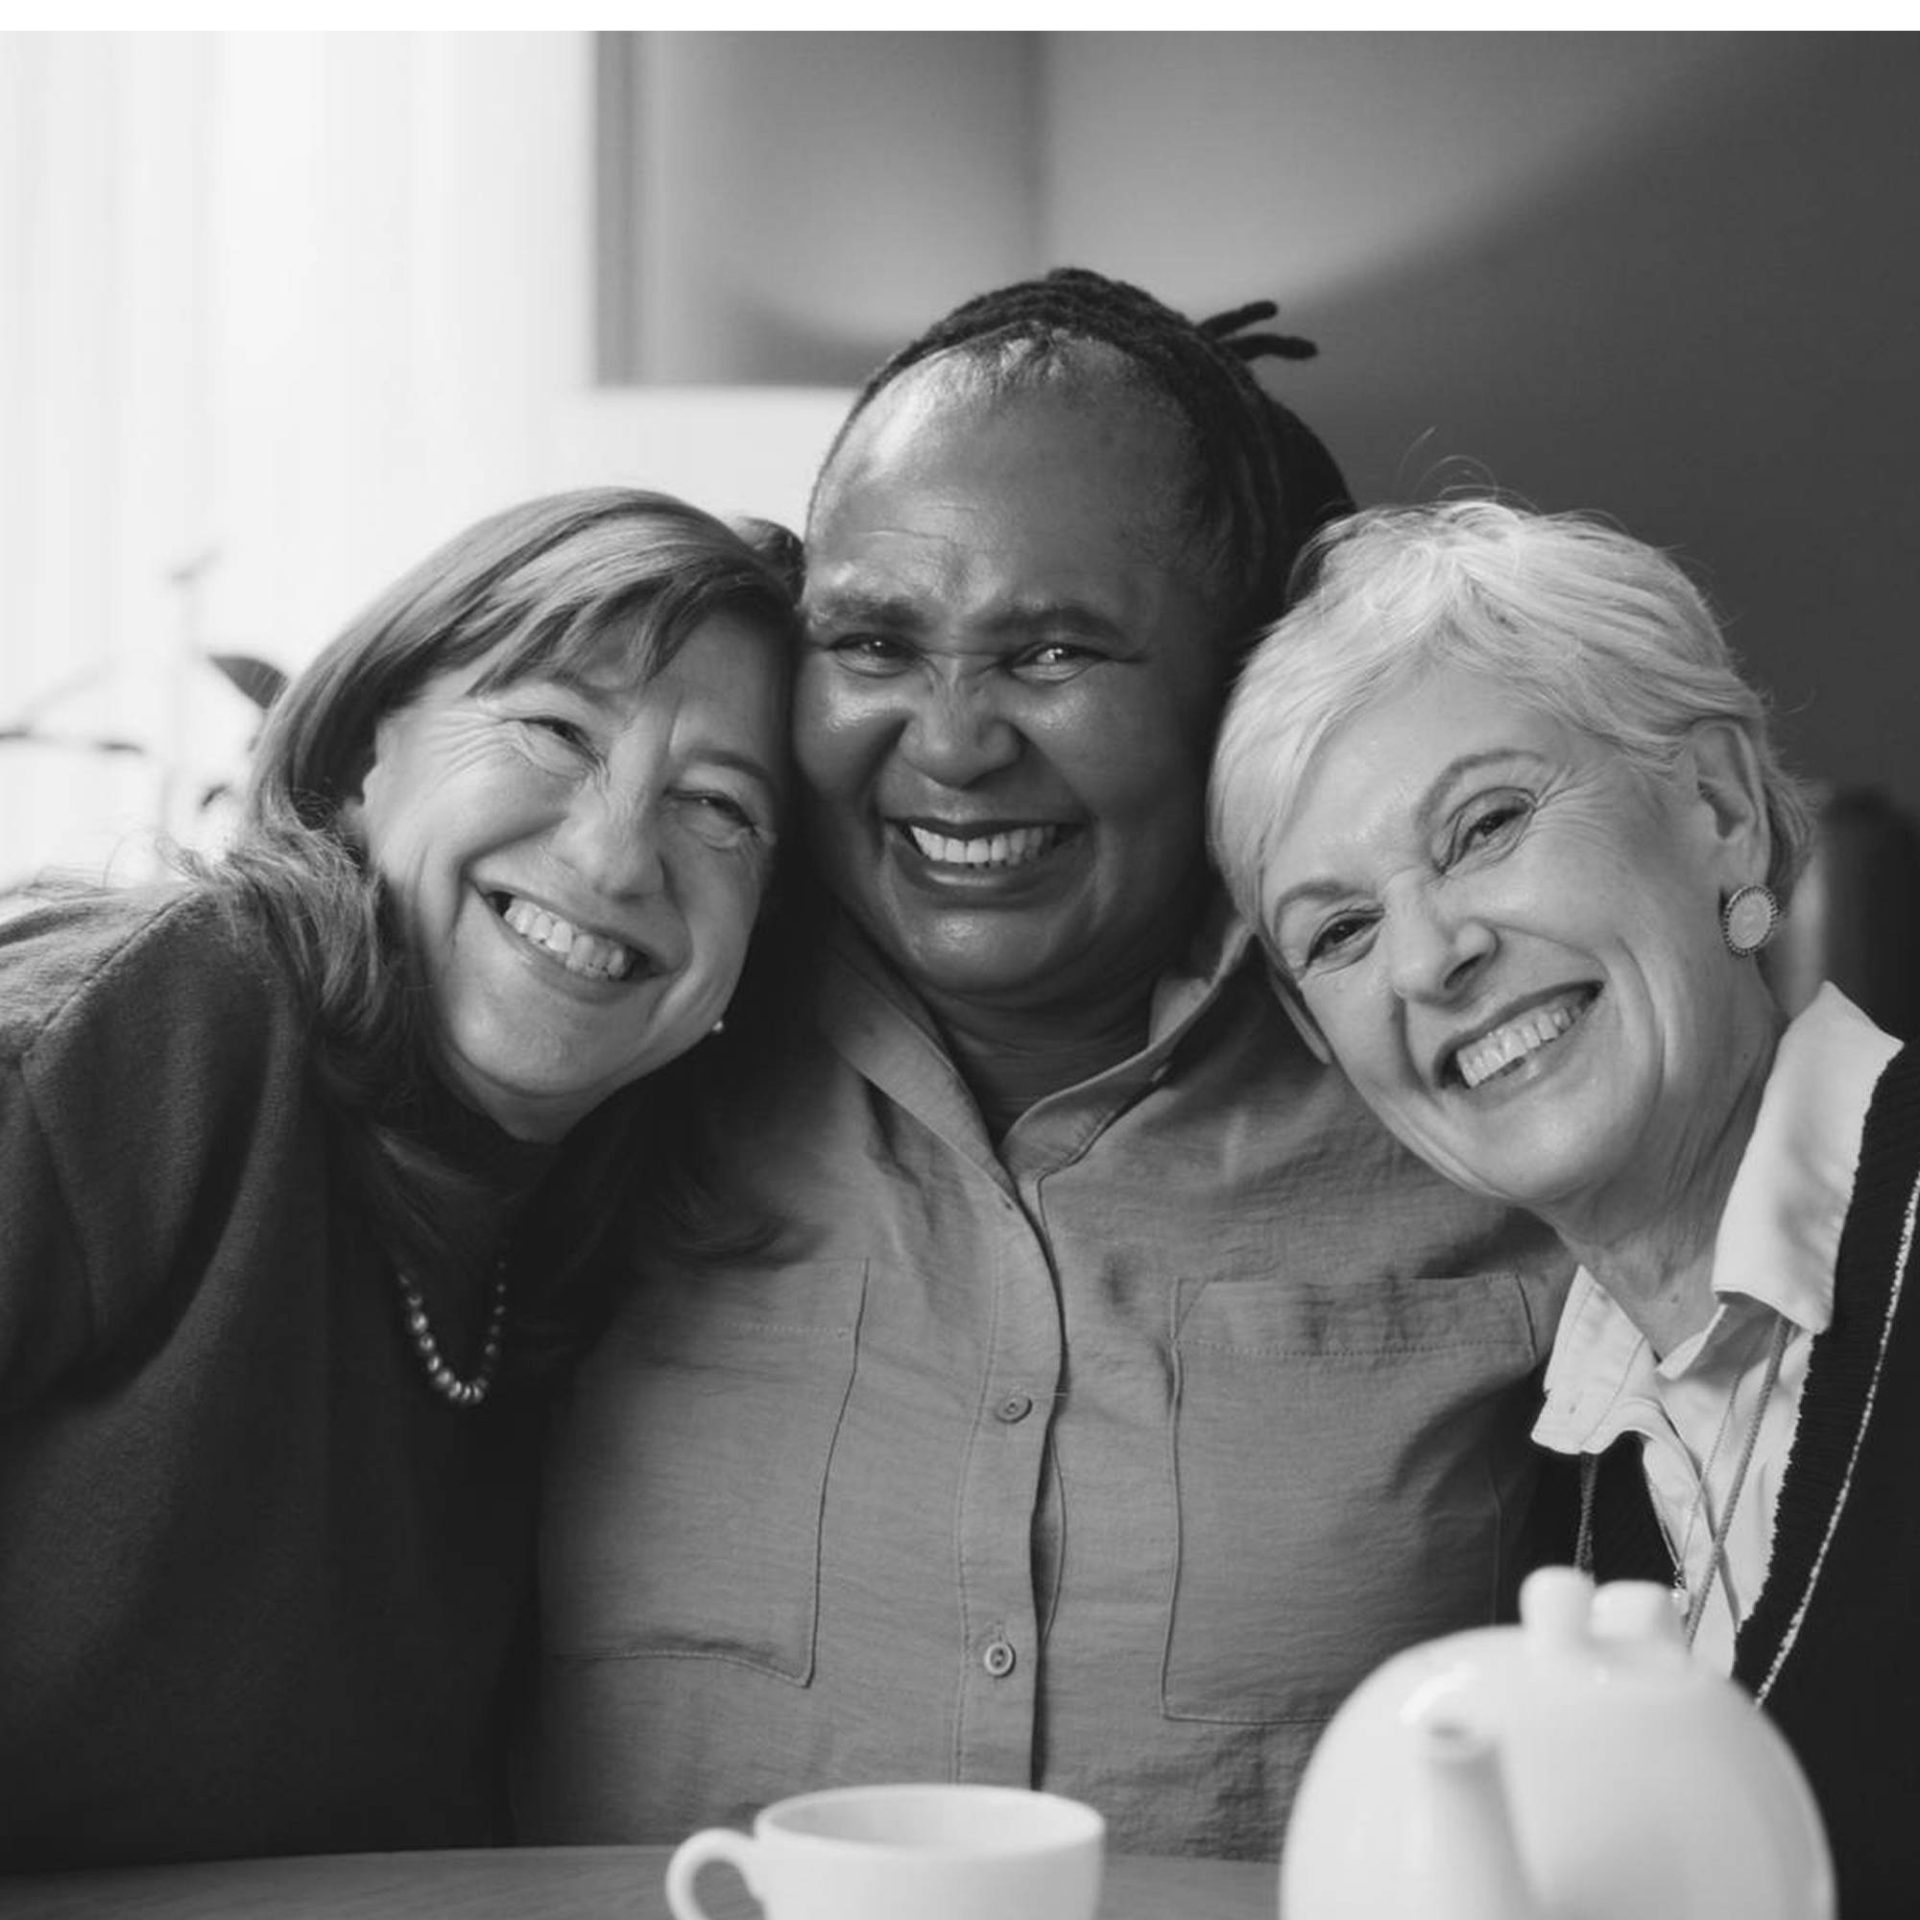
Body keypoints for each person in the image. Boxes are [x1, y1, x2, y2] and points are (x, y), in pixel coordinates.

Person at [520, 271, 1567, 1859]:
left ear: (1244, 674)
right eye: (874, 642)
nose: (951, 744)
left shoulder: (1464, 1085)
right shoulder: (623, 1048)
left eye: (1055, 652)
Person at [0, 487, 796, 1869]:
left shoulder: (593, 1240)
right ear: (371, 751)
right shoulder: (168, 1022)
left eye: (718, 806)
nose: (614, 854)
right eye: (555, 728)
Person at [1208, 497, 1916, 1915]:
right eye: (1338, 931)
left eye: (1485, 825)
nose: (1429, 958)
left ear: (1716, 809)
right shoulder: (1554, 1465)